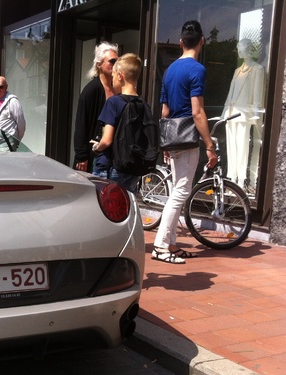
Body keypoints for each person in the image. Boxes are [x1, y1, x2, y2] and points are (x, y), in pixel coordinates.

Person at [152, 20, 218, 264]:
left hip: (173, 136)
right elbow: (197, 112)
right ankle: (160, 246)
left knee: (178, 189)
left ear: (181, 42)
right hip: (188, 137)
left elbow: (165, 110)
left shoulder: (169, 70)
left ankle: (171, 244)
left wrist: (166, 143)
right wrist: (209, 145)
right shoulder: (197, 69)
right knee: (181, 191)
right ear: (202, 41)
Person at [90, 53, 145, 194]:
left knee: (105, 211)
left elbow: (107, 140)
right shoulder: (143, 104)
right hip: (133, 168)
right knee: (126, 209)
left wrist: (97, 147)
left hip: (111, 167)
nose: (112, 80)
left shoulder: (114, 102)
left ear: (120, 76)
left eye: (113, 76)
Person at [221, 38, 265, 192]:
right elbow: (230, 94)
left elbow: (258, 96)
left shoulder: (257, 69)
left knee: (243, 148)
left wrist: (255, 115)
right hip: (231, 114)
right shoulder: (237, 71)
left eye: (240, 48)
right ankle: (232, 178)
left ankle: (242, 180)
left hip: (245, 116)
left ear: (248, 49)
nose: (238, 51)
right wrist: (223, 113)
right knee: (232, 148)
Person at [73, 42, 119, 172]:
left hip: (113, 156)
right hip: (94, 155)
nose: (115, 65)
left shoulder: (118, 89)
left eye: (117, 61)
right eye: (111, 61)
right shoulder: (91, 90)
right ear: (99, 64)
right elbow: (82, 124)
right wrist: (82, 157)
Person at [0, 76, 26, 151]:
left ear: (6, 87)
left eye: (1, 87)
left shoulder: (12, 101)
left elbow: (21, 123)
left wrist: (16, 140)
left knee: (4, 163)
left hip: (7, 144)